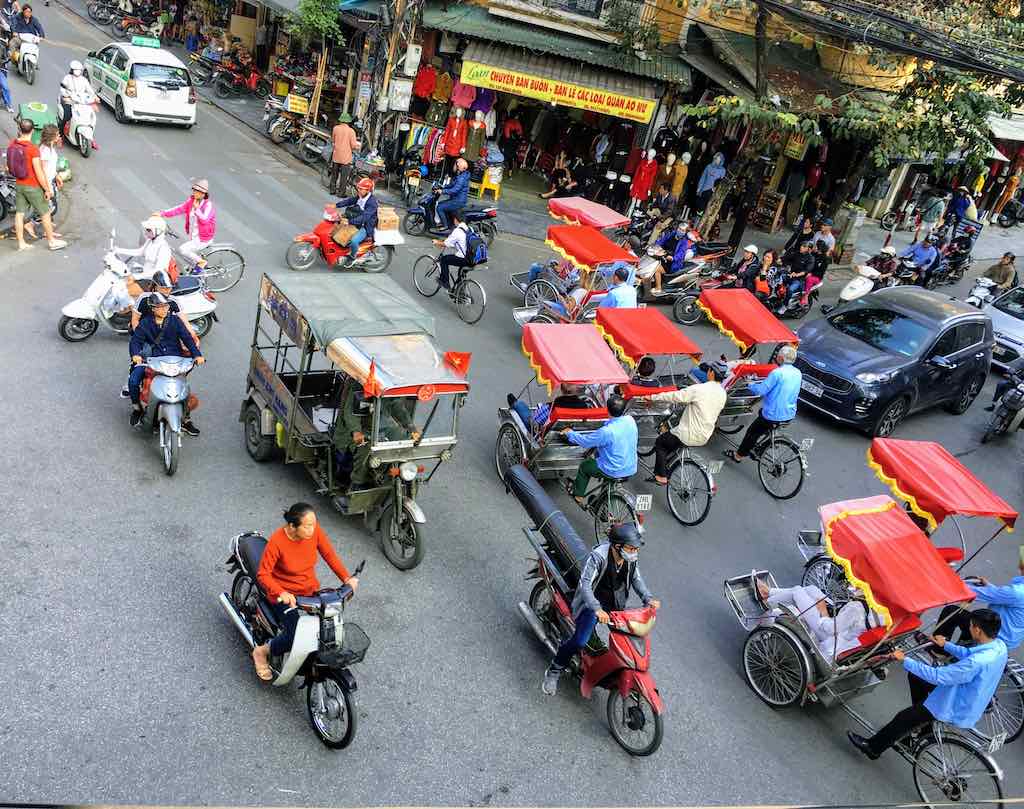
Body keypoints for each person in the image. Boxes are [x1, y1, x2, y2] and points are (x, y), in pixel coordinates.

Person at [848, 609, 1007, 759]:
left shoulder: (976, 662)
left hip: (953, 704)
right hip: (970, 697)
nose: (970, 628)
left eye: (971, 626)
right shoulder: (998, 647)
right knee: (917, 678)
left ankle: (872, 748)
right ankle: (923, 730)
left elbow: (937, 676)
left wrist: (905, 660)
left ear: (978, 630)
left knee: (904, 718)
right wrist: (946, 645)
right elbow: (968, 653)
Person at [541, 523, 660, 695]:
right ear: (617, 546)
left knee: (629, 638)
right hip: (592, 604)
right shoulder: (599, 556)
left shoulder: (630, 559)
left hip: (614, 605)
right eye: (631, 548)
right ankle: (555, 669)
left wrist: (648, 598)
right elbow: (585, 585)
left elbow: (637, 580)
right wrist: (596, 609)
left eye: (636, 549)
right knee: (580, 640)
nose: (634, 552)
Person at [251, 503, 360, 681]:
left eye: (314, 524)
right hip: (283, 596)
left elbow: (329, 554)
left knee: (327, 624)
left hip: (309, 591)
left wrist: (346, 579)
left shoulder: (314, 532)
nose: (313, 529)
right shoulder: (277, 541)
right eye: (307, 525)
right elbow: (263, 574)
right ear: (292, 526)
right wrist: (282, 592)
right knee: (295, 634)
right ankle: (262, 652)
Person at [127, 292, 204, 430]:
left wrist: (197, 355)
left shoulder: (175, 321)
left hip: (174, 360)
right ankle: (137, 408)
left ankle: (186, 418)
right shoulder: (145, 323)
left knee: (183, 387)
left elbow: (187, 338)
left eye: (166, 306)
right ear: (153, 308)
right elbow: (136, 341)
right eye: (160, 307)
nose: (164, 309)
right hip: (152, 360)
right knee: (133, 381)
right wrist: (136, 355)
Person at [754, 576, 881, 659]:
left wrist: (823, 610)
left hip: (828, 636)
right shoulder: (877, 610)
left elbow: (831, 629)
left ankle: (766, 603)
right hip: (838, 629)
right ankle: (769, 593)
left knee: (797, 591)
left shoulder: (856, 608)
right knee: (812, 589)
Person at [637, 367, 727, 485]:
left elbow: (676, 396)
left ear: (712, 373)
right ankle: (666, 466)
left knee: (661, 442)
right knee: (672, 441)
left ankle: (661, 476)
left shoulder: (700, 389)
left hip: (689, 433)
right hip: (705, 435)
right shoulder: (723, 393)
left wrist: (653, 397)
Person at [724, 344, 801, 463]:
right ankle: (761, 448)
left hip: (772, 414)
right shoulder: (798, 373)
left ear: (780, 358)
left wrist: (750, 383)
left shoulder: (777, 373)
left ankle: (738, 456)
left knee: (752, 432)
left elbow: (761, 390)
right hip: (789, 413)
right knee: (765, 425)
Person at [561, 394, 637, 506]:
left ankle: (577, 494)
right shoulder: (630, 420)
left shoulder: (607, 431)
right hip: (630, 467)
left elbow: (585, 442)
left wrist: (570, 433)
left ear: (607, 410)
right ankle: (601, 507)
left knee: (585, 467)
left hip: (613, 468)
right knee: (609, 480)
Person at [934, 560, 1024, 652]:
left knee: (952, 611)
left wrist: (950, 580)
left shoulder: (1018, 592)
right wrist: (989, 586)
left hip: (995, 636)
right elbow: (1002, 596)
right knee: (971, 618)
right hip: (1008, 638)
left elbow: (977, 593)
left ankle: (937, 649)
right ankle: (956, 649)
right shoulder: (1017, 592)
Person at [8, 118, 65, 251]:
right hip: (32, 185)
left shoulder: (13, 143)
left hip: (19, 183)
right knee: (45, 213)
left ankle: (21, 243)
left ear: (20, 129)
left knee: (19, 213)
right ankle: (51, 241)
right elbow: (39, 171)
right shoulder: (33, 149)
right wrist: (46, 189)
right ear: (33, 130)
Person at [156, 178, 216, 269]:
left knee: (183, 250)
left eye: (198, 191)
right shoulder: (192, 201)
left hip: (203, 237)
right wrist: (162, 213)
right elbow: (180, 209)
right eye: (194, 190)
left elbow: (204, 220)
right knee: (189, 251)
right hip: (194, 234)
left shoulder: (208, 205)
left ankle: (202, 262)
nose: (195, 193)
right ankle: (196, 265)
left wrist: (197, 209)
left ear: (204, 194)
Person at [22, 123, 60, 241]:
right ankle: (31, 224)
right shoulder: (44, 151)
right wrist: (47, 188)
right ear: (52, 137)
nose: (59, 136)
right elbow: (42, 170)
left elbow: (51, 167)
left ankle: (46, 228)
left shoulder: (50, 148)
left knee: (51, 206)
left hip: (51, 180)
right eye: (57, 134)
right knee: (50, 208)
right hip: (46, 182)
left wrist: (57, 176)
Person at [335, 177, 378, 268]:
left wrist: (350, 221)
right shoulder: (361, 196)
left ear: (367, 190)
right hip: (357, 221)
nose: (358, 190)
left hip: (365, 226)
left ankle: (352, 257)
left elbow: (364, 218)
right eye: (358, 188)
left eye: (361, 189)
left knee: (354, 241)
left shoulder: (372, 202)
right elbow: (350, 201)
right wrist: (336, 205)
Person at [652, 221, 696, 294]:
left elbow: (680, 254)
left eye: (682, 230)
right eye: (679, 228)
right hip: (662, 257)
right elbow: (662, 241)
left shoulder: (684, 242)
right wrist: (655, 246)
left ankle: (658, 288)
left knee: (656, 269)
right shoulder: (672, 234)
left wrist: (672, 258)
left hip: (672, 263)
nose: (680, 231)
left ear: (685, 232)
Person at [432, 209, 471, 291]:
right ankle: (460, 293)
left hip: (464, 258)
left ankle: (445, 281)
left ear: (455, 219)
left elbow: (446, 244)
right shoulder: (468, 228)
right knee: (461, 273)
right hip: (472, 258)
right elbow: (457, 242)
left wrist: (437, 242)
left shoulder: (457, 231)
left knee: (444, 260)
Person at [58, 59, 97, 135]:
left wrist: (95, 96)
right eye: (76, 70)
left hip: (81, 101)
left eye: (79, 70)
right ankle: (60, 133)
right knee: (67, 116)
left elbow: (89, 89)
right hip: (69, 101)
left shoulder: (84, 80)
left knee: (89, 116)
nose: (77, 71)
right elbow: (62, 89)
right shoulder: (67, 78)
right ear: (72, 70)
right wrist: (66, 96)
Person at [329, 113, 360, 196]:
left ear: (341, 120)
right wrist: (358, 146)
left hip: (336, 155)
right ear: (348, 122)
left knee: (334, 174)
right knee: (344, 176)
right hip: (345, 158)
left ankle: (332, 190)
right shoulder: (351, 131)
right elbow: (353, 145)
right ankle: (341, 193)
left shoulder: (335, 128)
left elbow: (333, 140)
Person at [437, 157, 469, 231]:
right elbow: (452, 185)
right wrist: (443, 187)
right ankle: (446, 222)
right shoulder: (461, 175)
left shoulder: (461, 178)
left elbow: (455, 190)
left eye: (455, 165)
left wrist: (443, 191)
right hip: (456, 199)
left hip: (458, 201)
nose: (453, 166)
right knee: (441, 204)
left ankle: (445, 226)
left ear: (458, 167)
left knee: (440, 207)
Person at [0, 34, 13, 114]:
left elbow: (5, 59)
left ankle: (8, 104)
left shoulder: (2, 46)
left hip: (0, 69)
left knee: (5, 87)